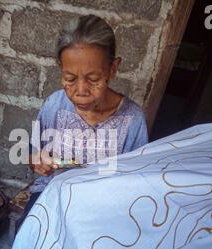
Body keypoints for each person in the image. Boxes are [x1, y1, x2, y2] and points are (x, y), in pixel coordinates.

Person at [15, 14, 149, 231]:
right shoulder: (54, 105)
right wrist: (37, 161)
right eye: (69, 79)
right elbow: (33, 156)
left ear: (112, 69)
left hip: (104, 207)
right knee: (32, 236)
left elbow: (133, 183)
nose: (81, 92)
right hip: (52, 192)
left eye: (94, 80)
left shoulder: (133, 120)